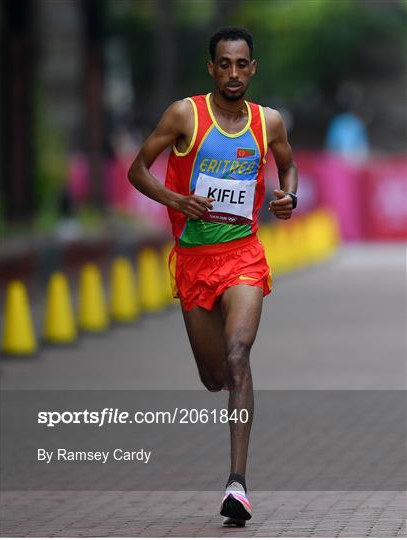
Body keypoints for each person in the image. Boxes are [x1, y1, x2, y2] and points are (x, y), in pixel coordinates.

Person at [128, 27, 298, 526]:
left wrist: (288, 197)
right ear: (211, 68)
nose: (232, 74)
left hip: (243, 255)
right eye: (223, 64)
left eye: (241, 64)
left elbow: (288, 168)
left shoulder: (269, 122)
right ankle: (230, 393)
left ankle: (237, 485)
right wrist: (177, 201)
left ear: (253, 68)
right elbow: (138, 170)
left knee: (238, 355)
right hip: (193, 262)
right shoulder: (186, 115)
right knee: (214, 377)